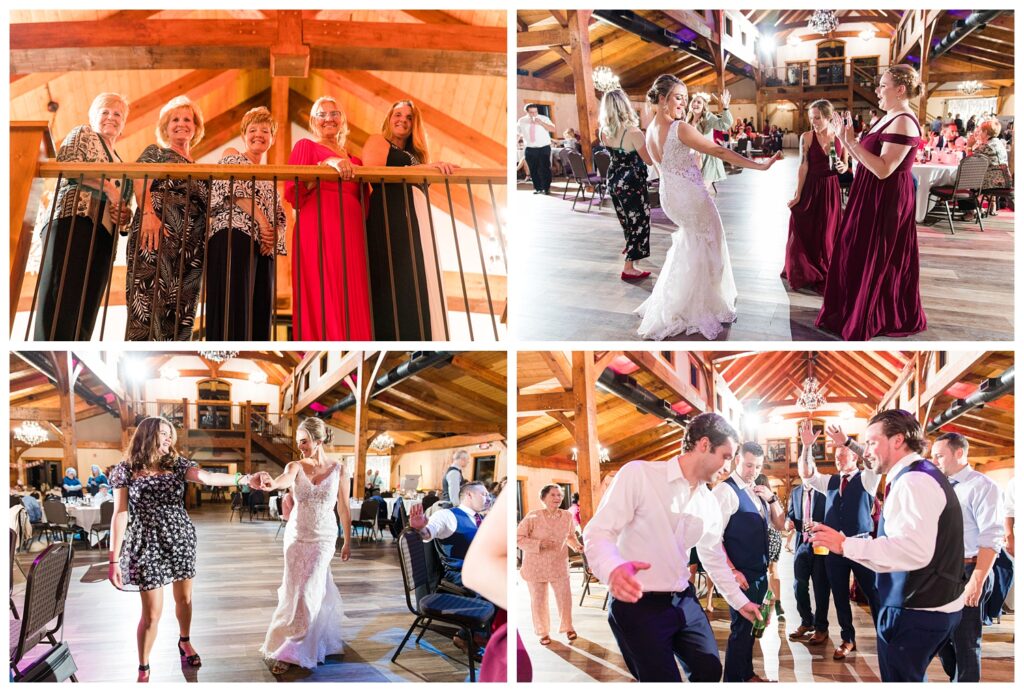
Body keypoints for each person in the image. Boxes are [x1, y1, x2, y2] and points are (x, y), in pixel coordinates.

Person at [583, 412, 763, 682]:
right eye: (726, 456)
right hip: (637, 605)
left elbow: (712, 556)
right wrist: (612, 568)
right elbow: (598, 532)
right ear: (704, 445)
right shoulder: (639, 475)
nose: (727, 468)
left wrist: (739, 603)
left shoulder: (709, 502)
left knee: (710, 670)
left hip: (684, 599)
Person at [811, 410, 965, 682]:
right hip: (929, 604)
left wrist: (846, 545)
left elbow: (912, 551)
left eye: (871, 442)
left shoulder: (913, 482)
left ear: (897, 440)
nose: (866, 451)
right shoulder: (918, 475)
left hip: (916, 609)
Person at [108, 417, 262, 681]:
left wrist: (244, 478)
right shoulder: (126, 469)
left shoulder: (177, 465)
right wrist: (113, 560)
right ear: (147, 435)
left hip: (179, 538)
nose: (169, 439)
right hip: (145, 543)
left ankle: (185, 641)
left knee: (185, 599)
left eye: (171, 435)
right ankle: (143, 668)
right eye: (163, 434)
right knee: (151, 614)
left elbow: (207, 476)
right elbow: (120, 513)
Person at [636, 74, 780, 341]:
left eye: (685, 98)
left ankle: (678, 300)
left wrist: (688, 162)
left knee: (690, 244)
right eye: (678, 97)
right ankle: (700, 305)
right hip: (691, 197)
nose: (683, 103)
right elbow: (720, 151)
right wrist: (760, 166)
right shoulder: (679, 128)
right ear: (663, 99)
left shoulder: (650, 129)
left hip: (670, 196)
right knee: (711, 244)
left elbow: (656, 164)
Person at [816, 65, 926, 340]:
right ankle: (854, 307)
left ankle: (874, 313)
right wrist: (845, 141)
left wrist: (850, 142)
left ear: (900, 90)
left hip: (886, 197)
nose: (878, 90)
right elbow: (867, 156)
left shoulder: (904, 120)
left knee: (877, 255)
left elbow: (884, 168)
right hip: (870, 192)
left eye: (883, 85)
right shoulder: (890, 116)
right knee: (857, 250)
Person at [254, 417, 352, 675]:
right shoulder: (295, 465)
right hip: (297, 536)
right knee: (294, 590)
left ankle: (291, 649)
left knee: (308, 591)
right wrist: (271, 483)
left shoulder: (340, 469)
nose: (301, 447)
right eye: (299, 443)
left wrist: (348, 540)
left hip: (324, 538)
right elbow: (284, 480)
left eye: (305, 442)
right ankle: (290, 639)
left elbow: (343, 506)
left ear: (319, 440)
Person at [34, 92, 134, 340]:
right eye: (105, 112)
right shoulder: (83, 134)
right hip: (73, 220)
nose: (111, 117)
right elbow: (68, 166)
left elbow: (123, 208)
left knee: (87, 306)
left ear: (123, 124)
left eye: (117, 114)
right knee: (63, 295)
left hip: (104, 235)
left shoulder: (124, 164)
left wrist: (123, 214)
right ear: (93, 117)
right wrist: (110, 189)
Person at [361, 100, 456, 340]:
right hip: (390, 213)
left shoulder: (416, 155)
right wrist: (426, 168)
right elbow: (373, 171)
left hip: (417, 217)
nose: (402, 119)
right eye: (398, 114)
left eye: (409, 116)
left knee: (417, 276)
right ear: (389, 118)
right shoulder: (377, 141)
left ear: (415, 123)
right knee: (396, 275)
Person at [285, 97, 371, 340]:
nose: (328, 118)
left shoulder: (357, 161)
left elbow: (366, 205)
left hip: (352, 230)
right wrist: (326, 164)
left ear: (342, 120)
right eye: (321, 115)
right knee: (324, 289)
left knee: (353, 293)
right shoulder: (307, 147)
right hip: (319, 224)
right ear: (314, 122)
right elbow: (295, 191)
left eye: (334, 113)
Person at [125, 96, 209, 341]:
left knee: (182, 314)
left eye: (187, 119)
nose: (181, 124)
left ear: (195, 128)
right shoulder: (157, 152)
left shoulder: (202, 168)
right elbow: (140, 179)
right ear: (165, 127)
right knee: (149, 305)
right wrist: (149, 214)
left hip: (192, 249)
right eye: (175, 119)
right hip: (157, 232)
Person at [798, 419, 881, 660]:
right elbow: (807, 475)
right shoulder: (831, 482)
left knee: (873, 593)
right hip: (835, 550)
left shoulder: (868, 479)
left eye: (842, 453)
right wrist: (806, 448)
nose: (838, 458)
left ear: (853, 457)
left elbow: (872, 461)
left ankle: (885, 634)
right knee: (840, 596)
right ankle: (848, 639)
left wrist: (848, 442)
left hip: (862, 544)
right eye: (836, 455)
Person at [206, 107, 287, 340]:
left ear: (271, 138)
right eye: (253, 130)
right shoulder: (233, 154)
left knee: (259, 313)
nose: (258, 134)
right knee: (234, 306)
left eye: (265, 130)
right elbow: (233, 188)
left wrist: (272, 237)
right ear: (244, 135)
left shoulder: (269, 178)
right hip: (234, 234)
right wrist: (263, 223)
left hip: (263, 247)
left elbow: (280, 215)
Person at [931, 432, 1004, 682]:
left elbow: (992, 537)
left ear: (959, 453)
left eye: (939, 456)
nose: (935, 461)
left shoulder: (983, 486)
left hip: (969, 570)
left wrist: (977, 580)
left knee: (966, 642)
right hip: (941, 573)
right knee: (937, 635)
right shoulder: (939, 486)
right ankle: (959, 678)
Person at [712, 445, 786, 682]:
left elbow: (780, 524)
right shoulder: (725, 491)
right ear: (736, 460)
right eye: (748, 464)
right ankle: (733, 680)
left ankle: (747, 674)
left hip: (759, 572)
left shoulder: (757, 491)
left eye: (757, 466)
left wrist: (771, 497)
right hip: (742, 576)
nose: (753, 470)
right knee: (741, 630)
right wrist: (732, 570)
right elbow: (713, 539)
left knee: (751, 630)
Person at [783, 99, 848, 293]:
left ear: (828, 117)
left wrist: (842, 167)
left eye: (818, 118)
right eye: (811, 118)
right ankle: (806, 267)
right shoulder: (807, 137)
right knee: (806, 225)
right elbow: (803, 166)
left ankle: (826, 265)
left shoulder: (839, 136)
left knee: (827, 229)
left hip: (830, 188)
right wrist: (798, 194)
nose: (814, 122)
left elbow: (845, 165)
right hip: (812, 186)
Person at [598, 89, 654, 281]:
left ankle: (629, 246)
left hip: (614, 179)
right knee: (639, 221)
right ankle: (629, 267)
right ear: (625, 106)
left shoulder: (603, 131)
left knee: (626, 219)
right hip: (631, 182)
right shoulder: (633, 132)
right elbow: (648, 160)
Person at [517, 484, 582, 646]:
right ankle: (543, 632)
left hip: (558, 563)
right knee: (538, 600)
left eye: (559, 495)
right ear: (544, 498)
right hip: (535, 565)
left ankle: (568, 627)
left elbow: (570, 536)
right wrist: (539, 543)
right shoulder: (533, 517)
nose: (557, 498)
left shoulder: (567, 516)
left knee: (564, 598)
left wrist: (576, 546)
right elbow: (518, 538)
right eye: (553, 495)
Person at [464, 491, 509, 681]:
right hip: (456, 570)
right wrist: (422, 530)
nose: (487, 497)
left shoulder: (484, 516)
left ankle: (473, 633)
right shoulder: (448, 514)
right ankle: (468, 633)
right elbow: (429, 532)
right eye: (483, 493)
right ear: (468, 494)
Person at [408, 480, 489, 587]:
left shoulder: (482, 518)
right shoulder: (446, 515)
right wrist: (420, 529)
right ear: (469, 495)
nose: (488, 499)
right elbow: (427, 534)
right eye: (484, 495)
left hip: (484, 571)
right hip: (461, 575)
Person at [786, 480, 830, 644]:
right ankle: (807, 621)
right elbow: (790, 514)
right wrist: (788, 522)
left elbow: (833, 517)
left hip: (820, 545)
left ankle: (821, 627)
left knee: (821, 588)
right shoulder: (795, 492)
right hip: (801, 545)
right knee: (799, 586)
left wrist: (820, 525)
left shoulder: (824, 490)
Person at [965, 118, 1012, 221]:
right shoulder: (998, 143)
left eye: (980, 130)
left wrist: (969, 146)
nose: (978, 133)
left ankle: (972, 211)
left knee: (964, 181)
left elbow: (968, 163)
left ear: (985, 132)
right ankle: (982, 207)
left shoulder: (987, 146)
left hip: (994, 182)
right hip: (1004, 179)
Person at [686, 90, 735, 190]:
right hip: (693, 159)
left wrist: (725, 107)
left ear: (704, 106)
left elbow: (724, 124)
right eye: (694, 101)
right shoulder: (688, 120)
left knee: (701, 192)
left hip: (708, 158)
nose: (695, 103)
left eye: (699, 102)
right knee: (693, 192)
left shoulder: (707, 117)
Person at [517, 104, 556, 194]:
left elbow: (553, 129)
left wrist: (541, 123)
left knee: (545, 168)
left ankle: (546, 188)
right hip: (530, 148)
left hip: (544, 147)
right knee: (533, 169)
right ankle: (538, 188)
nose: (534, 114)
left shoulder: (544, 118)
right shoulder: (522, 120)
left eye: (536, 112)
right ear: (527, 112)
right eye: (531, 112)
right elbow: (518, 133)